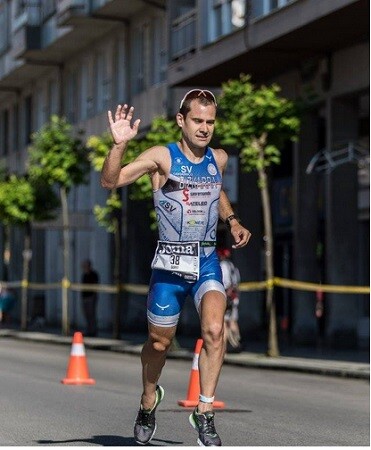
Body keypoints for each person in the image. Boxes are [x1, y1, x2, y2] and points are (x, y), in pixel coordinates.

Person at [101, 89, 251, 446]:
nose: (204, 128)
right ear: (181, 121)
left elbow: (216, 190)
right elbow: (111, 181)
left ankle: (205, 411)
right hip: (169, 266)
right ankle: (148, 399)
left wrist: (231, 220)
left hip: (206, 260)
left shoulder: (219, 158)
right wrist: (119, 145)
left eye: (210, 122)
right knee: (158, 344)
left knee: (214, 331)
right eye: (197, 121)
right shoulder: (161, 157)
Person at [218, 248, 242, 352]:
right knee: (233, 321)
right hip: (234, 297)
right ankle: (237, 342)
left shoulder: (223, 266)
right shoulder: (233, 266)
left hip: (227, 297)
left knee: (224, 322)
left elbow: (225, 283)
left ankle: (224, 347)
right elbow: (237, 282)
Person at [81, 259, 99, 337]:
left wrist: (94, 296)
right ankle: (89, 330)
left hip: (91, 297)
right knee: (87, 315)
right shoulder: (84, 275)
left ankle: (93, 331)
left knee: (92, 315)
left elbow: (95, 285)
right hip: (85, 297)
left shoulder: (94, 274)